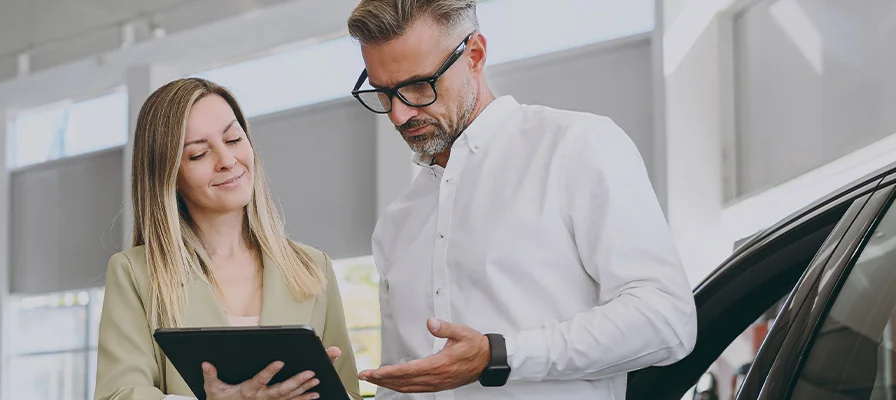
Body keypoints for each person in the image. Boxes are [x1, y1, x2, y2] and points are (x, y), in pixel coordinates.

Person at [345, 0, 698, 398]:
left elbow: (666, 320)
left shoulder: (575, 147)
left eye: (418, 86)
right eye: (383, 92)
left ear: (474, 55)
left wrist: (499, 355)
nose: (398, 114)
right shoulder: (396, 224)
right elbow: (403, 382)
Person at [93, 77, 361, 400]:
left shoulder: (313, 267)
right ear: (168, 176)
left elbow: (348, 393)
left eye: (233, 139)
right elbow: (119, 395)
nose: (228, 160)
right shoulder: (135, 274)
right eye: (198, 155)